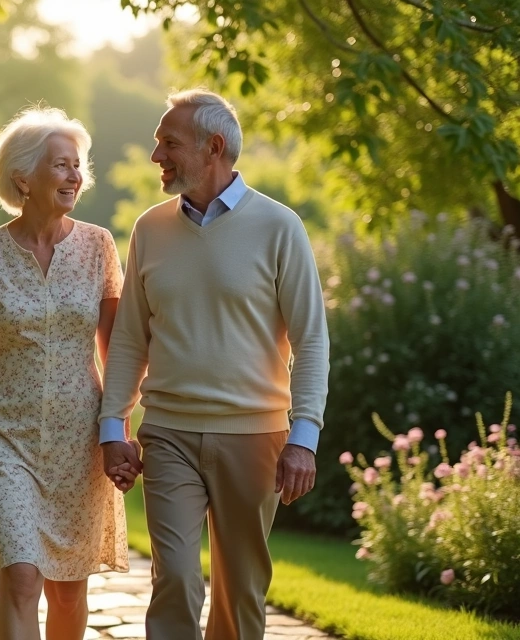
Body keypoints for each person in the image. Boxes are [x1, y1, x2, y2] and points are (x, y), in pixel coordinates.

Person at [98, 89, 330, 640]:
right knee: (174, 577)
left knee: (240, 590)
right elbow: (130, 337)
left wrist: (304, 438)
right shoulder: (150, 229)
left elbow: (312, 341)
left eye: (168, 143)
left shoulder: (279, 227)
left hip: (256, 436)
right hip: (170, 433)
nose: (157, 155)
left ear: (214, 147)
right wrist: (113, 426)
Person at [0, 106, 139, 640]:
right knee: (23, 578)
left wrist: (117, 432)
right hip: (4, 437)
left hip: (79, 441)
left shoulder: (98, 247)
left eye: (78, 165)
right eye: (61, 165)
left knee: (70, 589)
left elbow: (117, 351)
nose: (75, 175)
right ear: (22, 178)